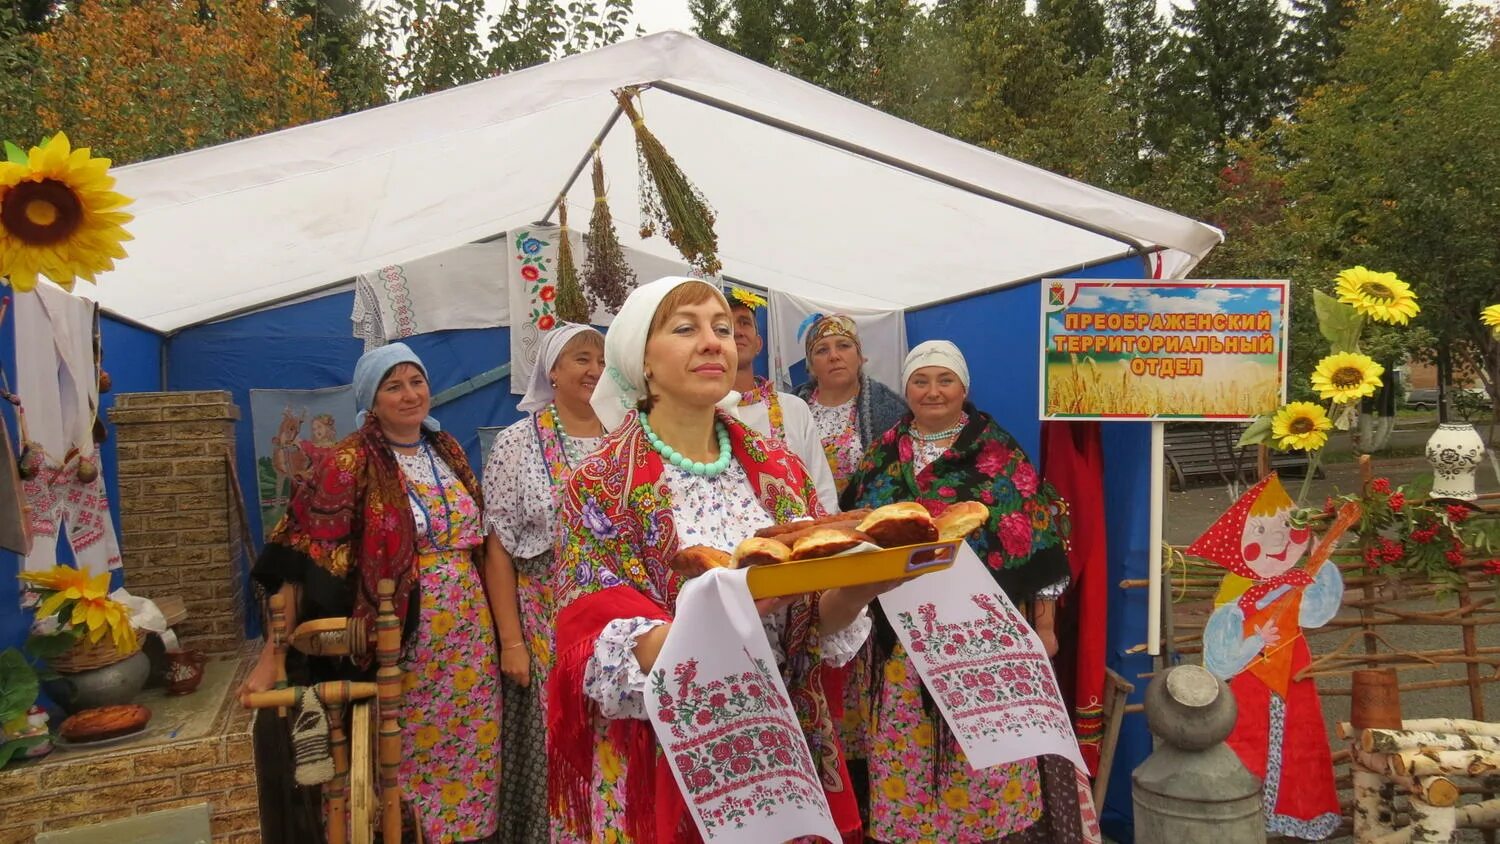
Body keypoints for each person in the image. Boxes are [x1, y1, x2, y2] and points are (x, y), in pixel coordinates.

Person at [546, 277, 889, 843]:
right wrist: (725, 610)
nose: (713, 342)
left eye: (723, 329)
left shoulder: (777, 471)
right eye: (686, 329)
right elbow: (596, 638)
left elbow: (810, 620)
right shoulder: (600, 485)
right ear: (643, 361)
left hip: (778, 735)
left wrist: (863, 583)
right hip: (671, 743)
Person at [243, 343, 501, 843]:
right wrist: (272, 656)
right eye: (393, 385)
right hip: (399, 637)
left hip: (469, 636)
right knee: (399, 759)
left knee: (471, 748)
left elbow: (482, 538)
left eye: (416, 381)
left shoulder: (445, 450)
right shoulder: (348, 460)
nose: (410, 395)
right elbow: (301, 552)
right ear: (371, 400)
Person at [841, 340, 1076, 844]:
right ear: (905, 389)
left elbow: (1038, 541)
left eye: (944, 380)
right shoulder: (882, 452)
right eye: (920, 381)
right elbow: (853, 530)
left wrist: (1046, 627)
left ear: (963, 388)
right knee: (907, 754)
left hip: (982, 634)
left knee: (984, 764)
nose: (932, 391)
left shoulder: (998, 453)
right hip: (901, 642)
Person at [482, 322, 607, 844]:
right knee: (557, 737)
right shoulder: (519, 442)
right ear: (551, 371)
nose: (594, 370)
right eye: (580, 359)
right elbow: (498, 547)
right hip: (545, 620)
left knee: (615, 729)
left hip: (618, 614)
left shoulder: (628, 435)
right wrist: (512, 642)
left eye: (601, 360)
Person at [1197, 475, 1342, 840]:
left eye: (1285, 528)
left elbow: (1317, 611)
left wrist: (1318, 561)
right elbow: (1220, 658)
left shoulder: (1294, 584)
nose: (1277, 539)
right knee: (1248, 744)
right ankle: (1246, 817)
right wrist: (1254, 641)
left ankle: (1297, 814)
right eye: (1262, 530)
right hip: (1253, 683)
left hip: (1295, 674)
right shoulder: (1235, 598)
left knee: (1301, 743)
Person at [726, 287, 839, 513]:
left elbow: (823, 489)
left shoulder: (794, 408)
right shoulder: (702, 412)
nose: (737, 331)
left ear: (759, 344)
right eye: (725, 327)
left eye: (744, 323)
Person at [791, 314, 906, 494]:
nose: (834, 356)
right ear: (811, 366)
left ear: (860, 357)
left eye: (844, 346)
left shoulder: (891, 410)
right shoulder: (790, 410)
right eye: (822, 350)